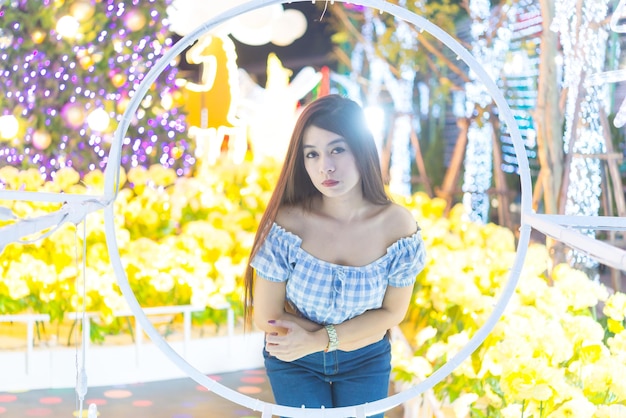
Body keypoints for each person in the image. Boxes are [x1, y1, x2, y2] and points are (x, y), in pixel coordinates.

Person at [244, 94, 426, 417]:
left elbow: (392, 313)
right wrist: (312, 344)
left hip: (365, 359)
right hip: (294, 359)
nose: (324, 166)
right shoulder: (288, 224)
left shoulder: (397, 226)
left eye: (337, 149)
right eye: (311, 154)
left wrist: (320, 340)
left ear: (361, 148)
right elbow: (266, 315)